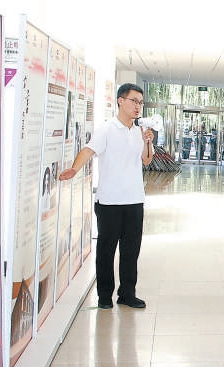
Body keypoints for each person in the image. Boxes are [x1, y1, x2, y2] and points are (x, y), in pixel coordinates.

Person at [59, 83, 154, 309]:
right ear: (121, 101)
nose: (138, 106)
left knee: (131, 251)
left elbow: (147, 160)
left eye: (140, 102)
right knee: (106, 250)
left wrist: (148, 141)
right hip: (109, 202)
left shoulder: (140, 131)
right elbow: (89, 150)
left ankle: (127, 293)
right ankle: (104, 296)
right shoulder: (108, 128)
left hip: (134, 201)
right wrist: (75, 169)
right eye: (134, 101)